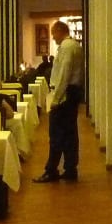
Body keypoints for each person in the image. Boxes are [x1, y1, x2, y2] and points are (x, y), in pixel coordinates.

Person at [34, 21, 85, 182]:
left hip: (65, 94)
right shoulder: (74, 45)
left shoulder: (66, 47)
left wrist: (56, 98)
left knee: (56, 133)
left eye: (54, 34)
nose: (53, 37)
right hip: (72, 93)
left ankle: (51, 169)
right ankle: (70, 168)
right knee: (70, 133)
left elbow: (64, 73)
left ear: (60, 31)